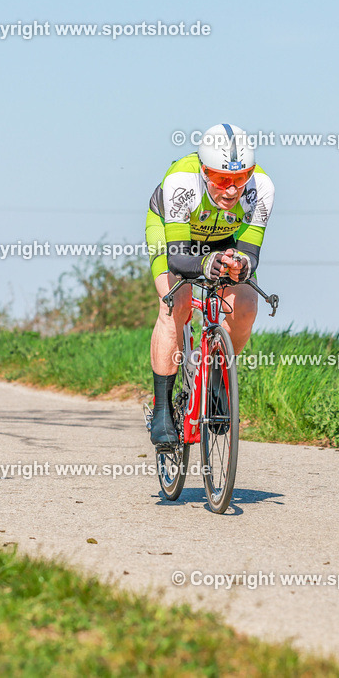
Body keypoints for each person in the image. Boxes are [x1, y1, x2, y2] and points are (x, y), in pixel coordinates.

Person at [144, 124, 275, 448]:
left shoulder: (262, 188)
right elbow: (177, 259)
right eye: (221, 180)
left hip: (224, 238)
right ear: (204, 172)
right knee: (176, 302)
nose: (231, 190)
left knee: (244, 306)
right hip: (174, 236)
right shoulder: (181, 182)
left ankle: (217, 374)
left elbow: (251, 253)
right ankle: (162, 409)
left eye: (239, 179)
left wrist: (242, 264)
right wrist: (205, 263)